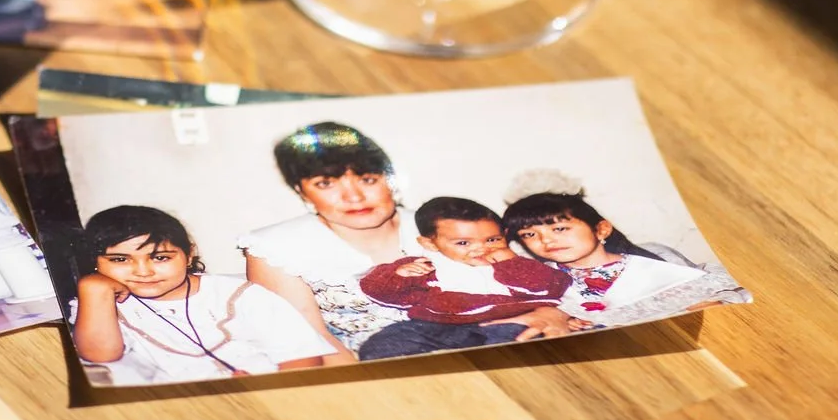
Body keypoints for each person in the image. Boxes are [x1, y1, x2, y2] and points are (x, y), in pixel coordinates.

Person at [238, 122, 581, 361]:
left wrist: (552, 312)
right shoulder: (275, 247)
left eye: (368, 179)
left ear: (390, 180)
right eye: (326, 183)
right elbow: (312, 344)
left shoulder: (448, 228)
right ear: (302, 191)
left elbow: (527, 279)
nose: (354, 196)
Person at [71, 204, 334, 384]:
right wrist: (92, 288)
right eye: (120, 260)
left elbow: (301, 357)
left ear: (189, 254)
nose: (143, 271)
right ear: (96, 263)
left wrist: (274, 391)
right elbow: (101, 354)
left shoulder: (239, 295)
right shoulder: (103, 306)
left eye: (160, 257)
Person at [355, 197, 572, 361]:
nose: (480, 248)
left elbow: (552, 287)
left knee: (514, 345)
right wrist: (399, 275)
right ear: (431, 244)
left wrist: (509, 262)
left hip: (508, 321)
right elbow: (377, 290)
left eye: (492, 239)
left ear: (504, 234)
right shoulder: (425, 266)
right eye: (463, 243)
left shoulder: (514, 261)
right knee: (384, 344)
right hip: (435, 325)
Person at [502, 188, 747, 323]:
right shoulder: (543, 281)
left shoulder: (653, 258)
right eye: (529, 235)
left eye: (560, 229)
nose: (546, 240)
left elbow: (703, 297)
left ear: (601, 229)